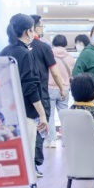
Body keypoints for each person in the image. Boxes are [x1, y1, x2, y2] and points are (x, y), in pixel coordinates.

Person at [0, 14, 48, 188]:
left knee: (13, 158)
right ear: (28, 31)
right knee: (24, 159)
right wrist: (42, 114)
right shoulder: (25, 54)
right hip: (24, 113)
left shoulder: (6, 51)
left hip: (7, 114)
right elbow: (31, 87)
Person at [29, 15, 65, 173]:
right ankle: (34, 165)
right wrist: (62, 88)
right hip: (40, 93)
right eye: (42, 26)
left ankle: (25, 166)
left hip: (20, 96)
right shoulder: (44, 47)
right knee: (39, 127)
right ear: (35, 28)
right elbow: (55, 72)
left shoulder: (13, 48)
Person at [45, 35, 75, 148]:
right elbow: (71, 74)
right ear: (65, 44)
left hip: (50, 88)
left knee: (50, 116)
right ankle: (66, 141)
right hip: (64, 89)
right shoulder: (70, 57)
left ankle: (52, 140)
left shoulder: (49, 55)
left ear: (53, 43)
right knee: (64, 116)